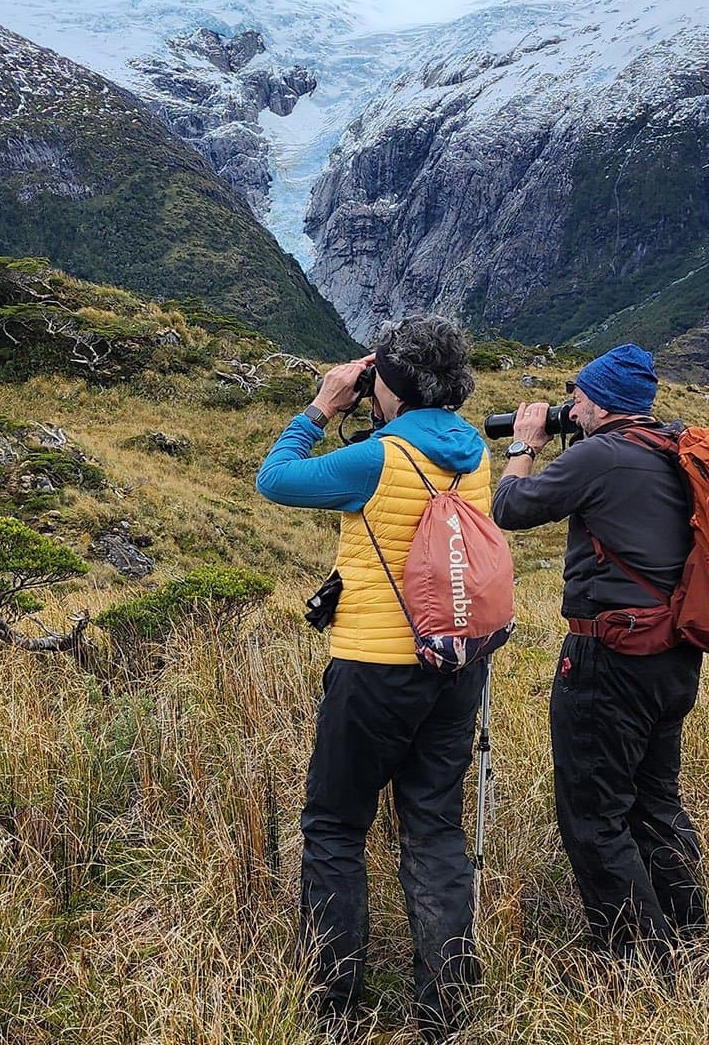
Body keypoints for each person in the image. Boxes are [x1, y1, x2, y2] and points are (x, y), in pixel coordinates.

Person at [254, 314, 490, 1039]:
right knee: (434, 830)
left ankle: (334, 1009)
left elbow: (275, 479)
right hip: (457, 668)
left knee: (334, 828)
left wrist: (324, 405)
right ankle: (446, 1010)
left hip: (375, 669)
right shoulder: (476, 451)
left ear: (387, 383)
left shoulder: (376, 460)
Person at [487, 343, 704, 975]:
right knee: (655, 801)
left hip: (608, 656)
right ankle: (686, 932)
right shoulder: (670, 451)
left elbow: (512, 509)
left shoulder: (601, 455)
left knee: (594, 811)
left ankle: (640, 961)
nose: (568, 406)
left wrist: (524, 444)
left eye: (578, 395)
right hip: (673, 655)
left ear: (602, 401)